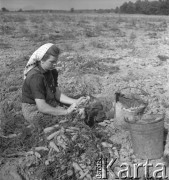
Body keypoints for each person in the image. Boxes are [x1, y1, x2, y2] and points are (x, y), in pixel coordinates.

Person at [22, 43, 85, 129]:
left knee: (77, 110)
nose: (55, 64)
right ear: (42, 60)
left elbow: (57, 94)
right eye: (52, 62)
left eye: (56, 61)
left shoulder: (52, 71)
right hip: (34, 109)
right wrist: (66, 111)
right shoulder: (36, 77)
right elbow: (42, 107)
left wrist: (75, 101)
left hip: (49, 102)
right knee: (67, 120)